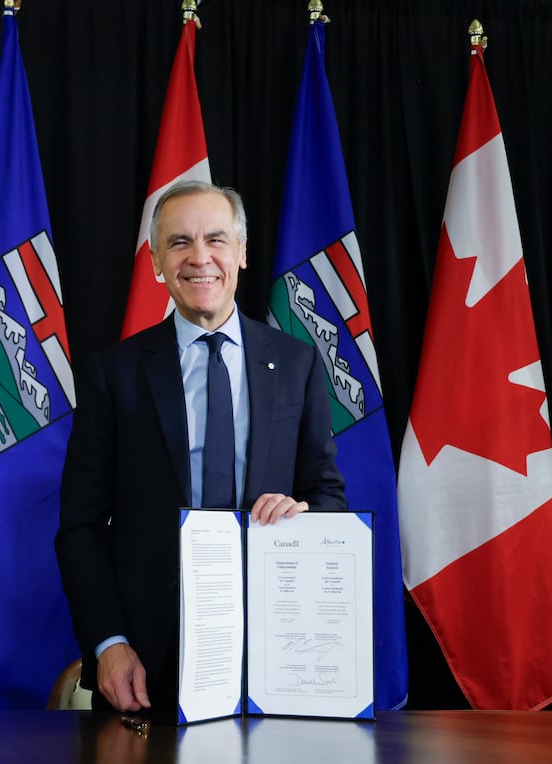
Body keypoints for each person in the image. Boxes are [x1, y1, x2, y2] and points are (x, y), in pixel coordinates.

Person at [54, 180, 346, 715]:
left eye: (215, 239)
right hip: (147, 664)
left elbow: (328, 499)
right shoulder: (113, 373)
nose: (199, 257)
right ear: (156, 261)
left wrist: (301, 514)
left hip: (274, 651)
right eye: (179, 242)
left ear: (241, 252)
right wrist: (109, 643)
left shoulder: (297, 365)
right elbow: (81, 526)